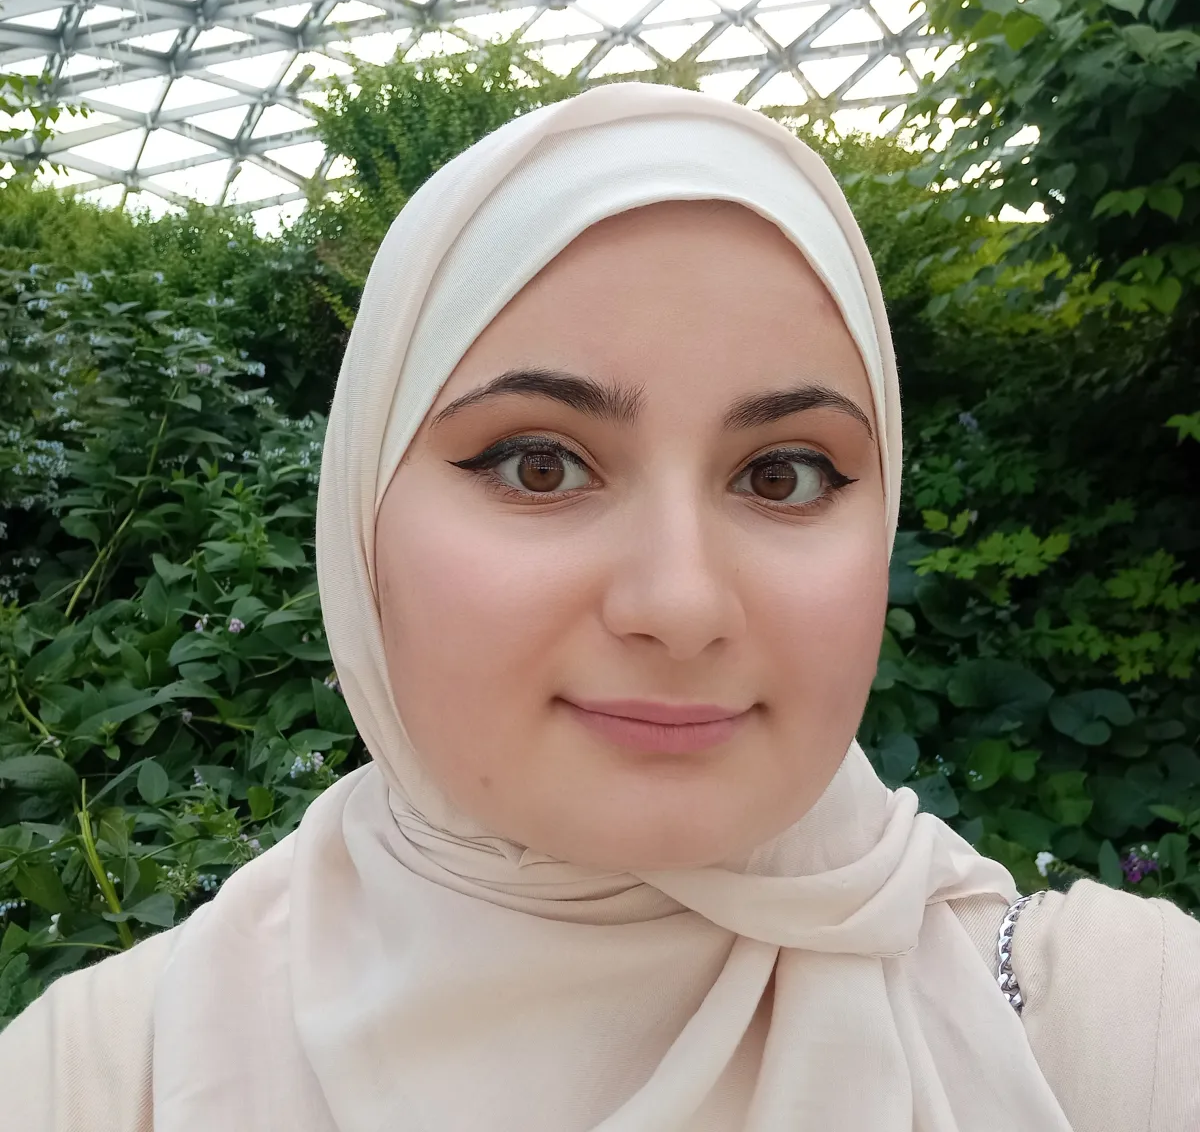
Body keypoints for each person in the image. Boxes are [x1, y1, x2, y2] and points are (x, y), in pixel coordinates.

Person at [2, 82, 1197, 1131]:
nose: (679, 604)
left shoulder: (1123, 1035)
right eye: (539, 465)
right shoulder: (96, 1082)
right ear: (361, 517)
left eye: (782, 474)